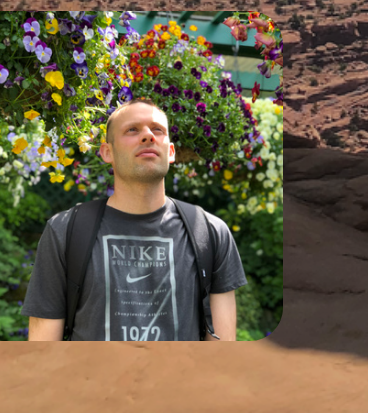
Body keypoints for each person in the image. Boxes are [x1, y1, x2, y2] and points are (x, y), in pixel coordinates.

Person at [23, 99, 246, 340]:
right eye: (132, 129)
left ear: (171, 152)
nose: (148, 136)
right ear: (107, 152)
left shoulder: (210, 232)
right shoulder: (66, 231)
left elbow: (221, 351)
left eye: (157, 130)